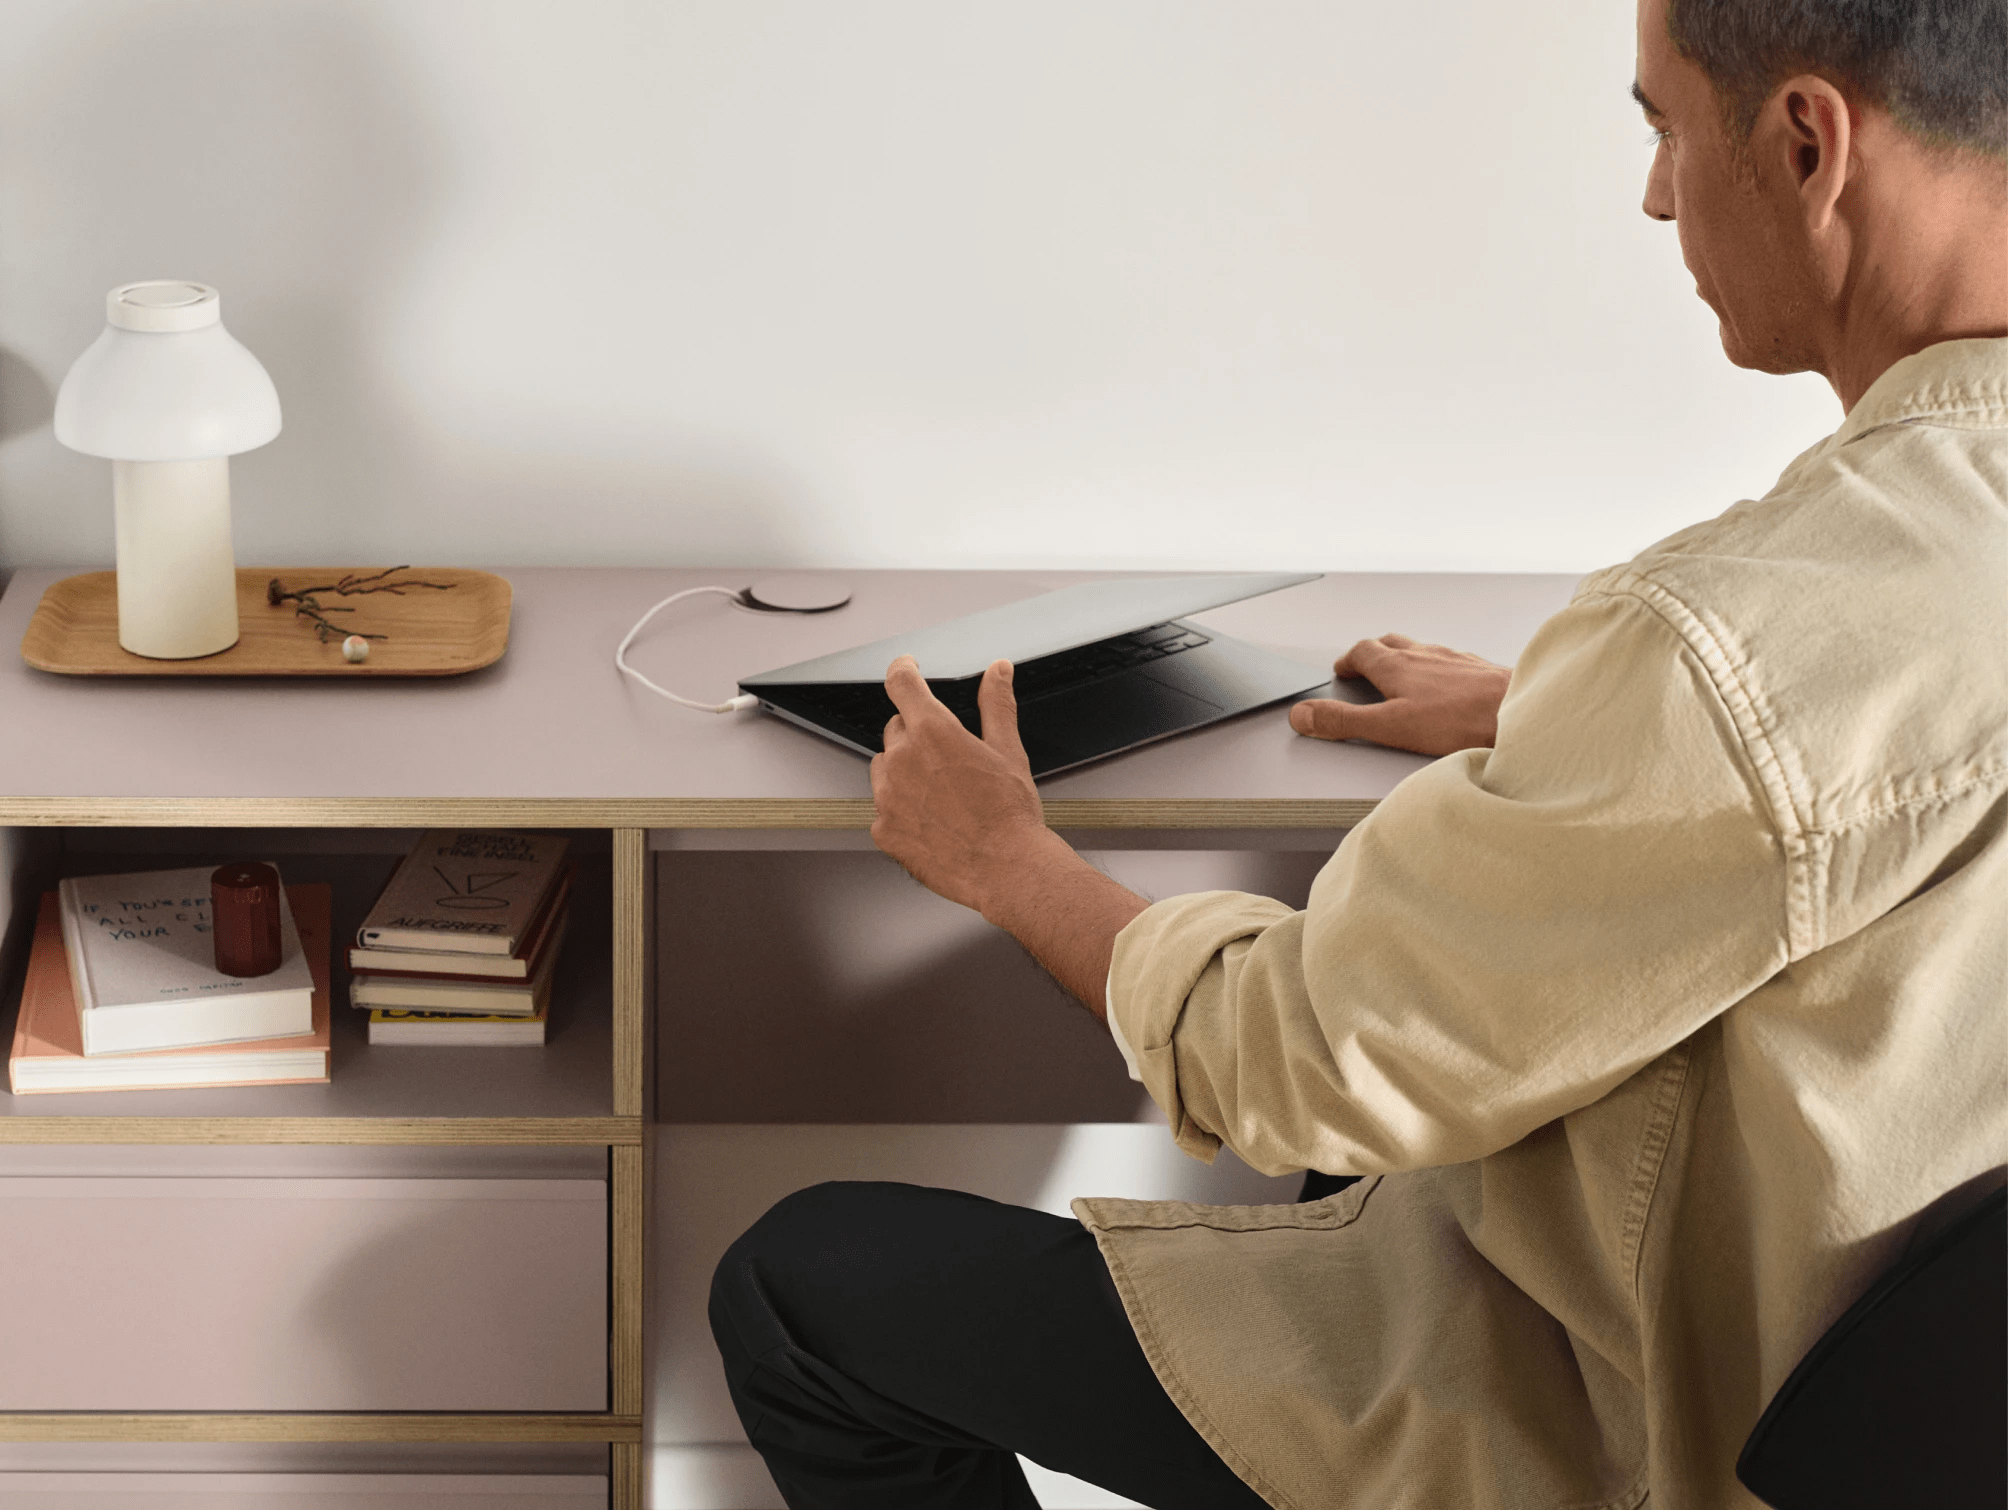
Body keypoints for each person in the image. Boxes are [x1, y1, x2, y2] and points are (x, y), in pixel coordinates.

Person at [709, 0, 2008, 1504]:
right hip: (1901, 1407)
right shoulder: (1796, 639)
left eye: (1659, 124)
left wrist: (1007, 856)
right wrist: (1573, 729)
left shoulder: (1719, 657)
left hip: (1614, 1416)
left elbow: (1295, 1060)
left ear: (1803, 142)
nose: (1654, 194)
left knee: (792, 1294)